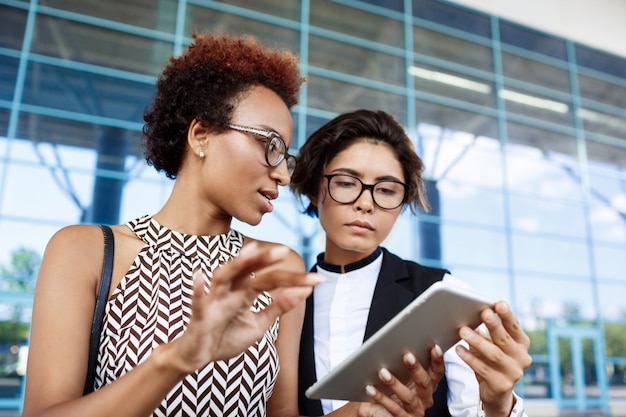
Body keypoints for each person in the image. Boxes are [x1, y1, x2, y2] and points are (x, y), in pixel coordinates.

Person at [22, 33, 437, 417]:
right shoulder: (87, 251)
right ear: (201, 134)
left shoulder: (279, 268)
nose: (281, 174)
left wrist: (370, 408)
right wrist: (181, 357)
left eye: (285, 156)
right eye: (268, 145)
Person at [289, 109, 533, 417]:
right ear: (314, 189)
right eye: (347, 183)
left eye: (387, 190)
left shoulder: (442, 294)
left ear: (402, 204)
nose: (366, 203)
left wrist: (499, 405)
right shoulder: (286, 304)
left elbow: (477, 410)